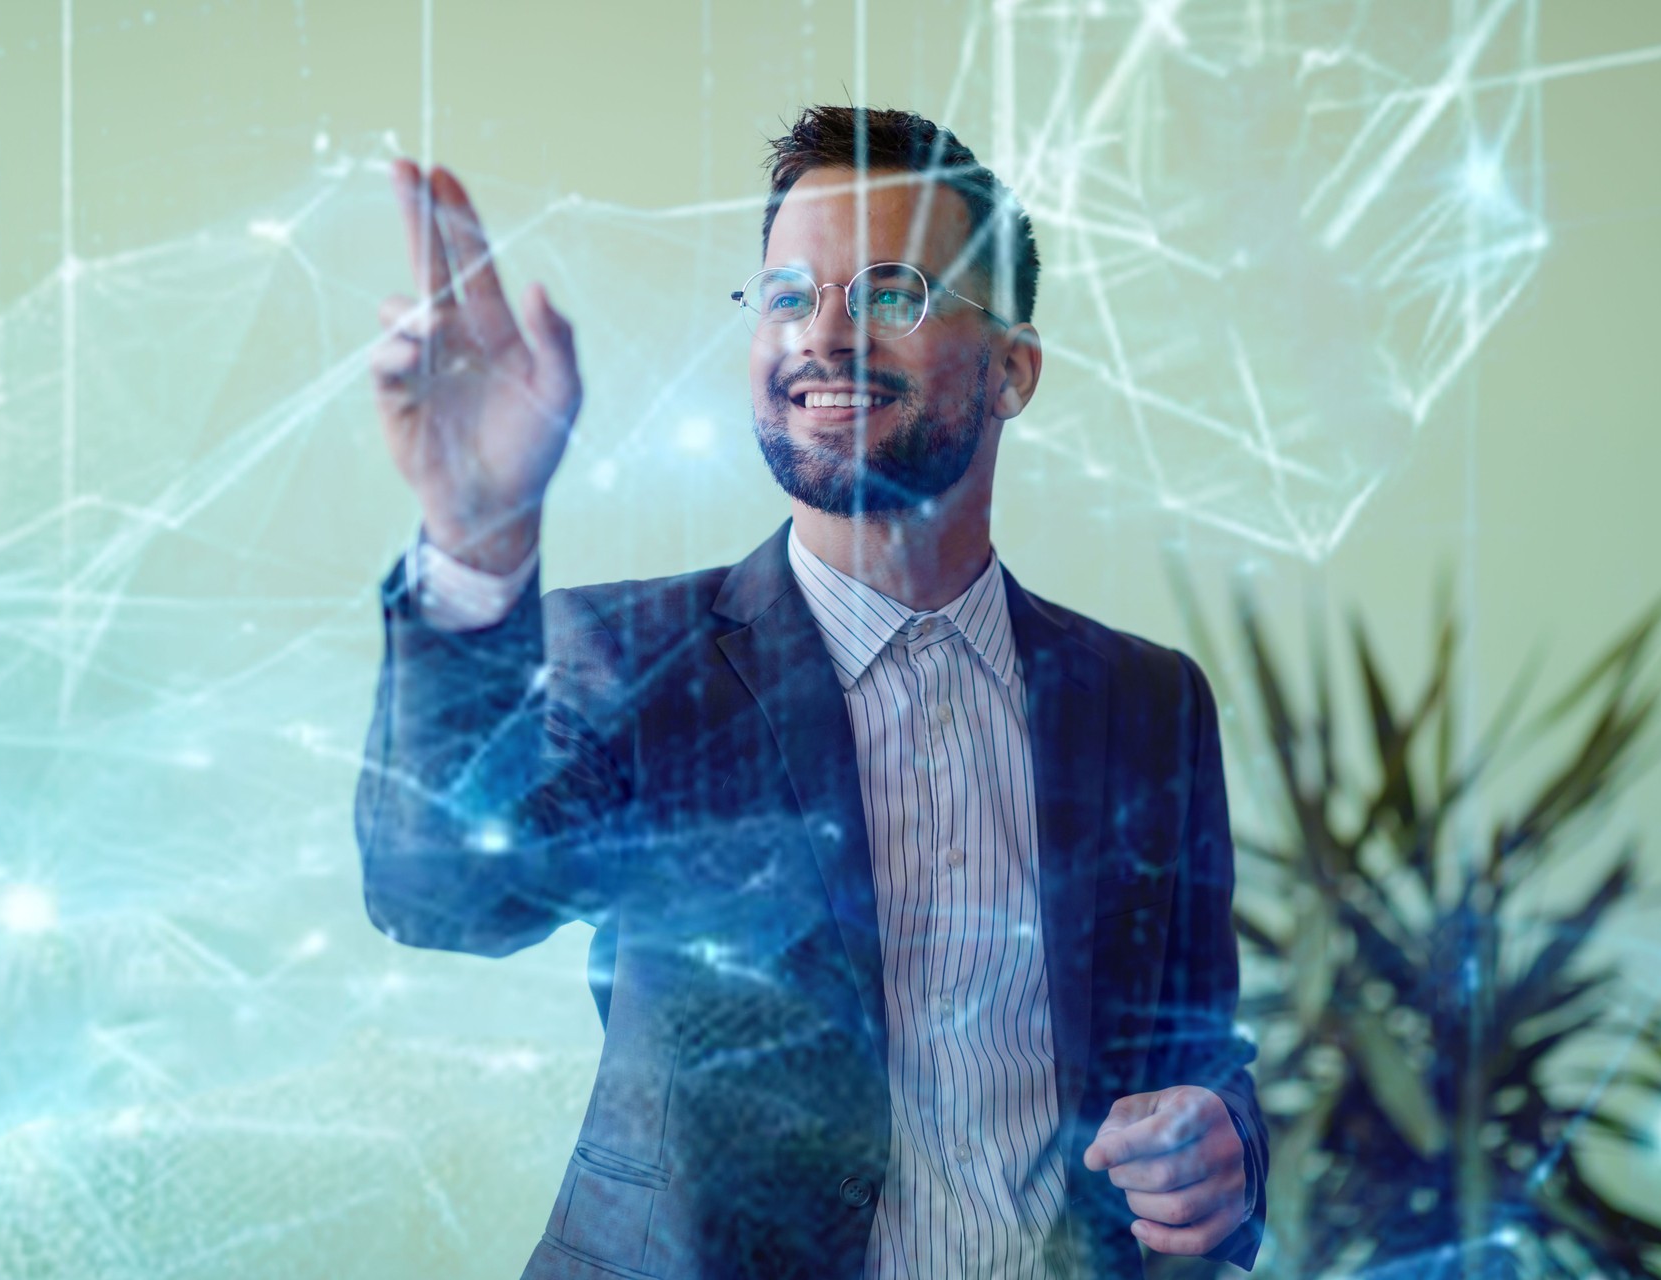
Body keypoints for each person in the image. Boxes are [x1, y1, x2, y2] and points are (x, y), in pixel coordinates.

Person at [354, 105, 1265, 1280]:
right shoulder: (635, 658)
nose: (823, 337)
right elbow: (443, 893)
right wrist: (476, 537)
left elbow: (1198, 1055)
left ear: (1013, 369)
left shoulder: (1148, 703)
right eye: (788, 295)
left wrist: (1228, 1145)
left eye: (892, 293)